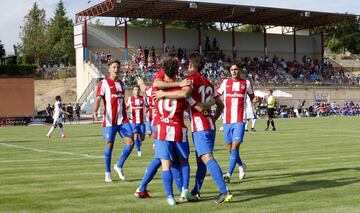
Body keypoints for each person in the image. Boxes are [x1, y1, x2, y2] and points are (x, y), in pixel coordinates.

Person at [154, 53, 233, 204]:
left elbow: (186, 95)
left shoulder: (191, 80)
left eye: (187, 65)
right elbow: (221, 105)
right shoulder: (209, 83)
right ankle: (195, 192)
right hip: (210, 125)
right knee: (201, 161)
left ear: (191, 66)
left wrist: (164, 94)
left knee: (206, 157)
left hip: (200, 126)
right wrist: (212, 117)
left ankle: (225, 191)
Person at [93, 59, 135, 183]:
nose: (116, 69)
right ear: (109, 69)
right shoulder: (104, 83)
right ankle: (107, 172)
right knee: (109, 145)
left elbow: (122, 100)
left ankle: (119, 165)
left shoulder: (121, 83)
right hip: (110, 121)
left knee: (131, 142)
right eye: (114, 67)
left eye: (118, 67)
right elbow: (98, 99)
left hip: (123, 120)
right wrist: (95, 111)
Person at [217, 63, 254, 183]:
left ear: (240, 70)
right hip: (227, 121)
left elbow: (252, 97)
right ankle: (241, 165)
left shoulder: (246, 83)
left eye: (235, 69)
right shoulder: (225, 83)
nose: (233, 71)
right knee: (230, 149)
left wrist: (256, 99)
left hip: (240, 120)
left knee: (235, 146)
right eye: (231, 69)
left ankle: (228, 173)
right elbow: (216, 95)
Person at [126, 86, 146, 157]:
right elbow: (126, 107)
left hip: (141, 121)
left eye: (138, 89)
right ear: (133, 91)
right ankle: (139, 151)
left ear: (139, 90)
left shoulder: (143, 98)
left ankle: (138, 143)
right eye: (135, 90)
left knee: (142, 137)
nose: (136, 91)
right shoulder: (130, 99)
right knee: (135, 135)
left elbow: (147, 106)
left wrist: (146, 112)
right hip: (133, 121)